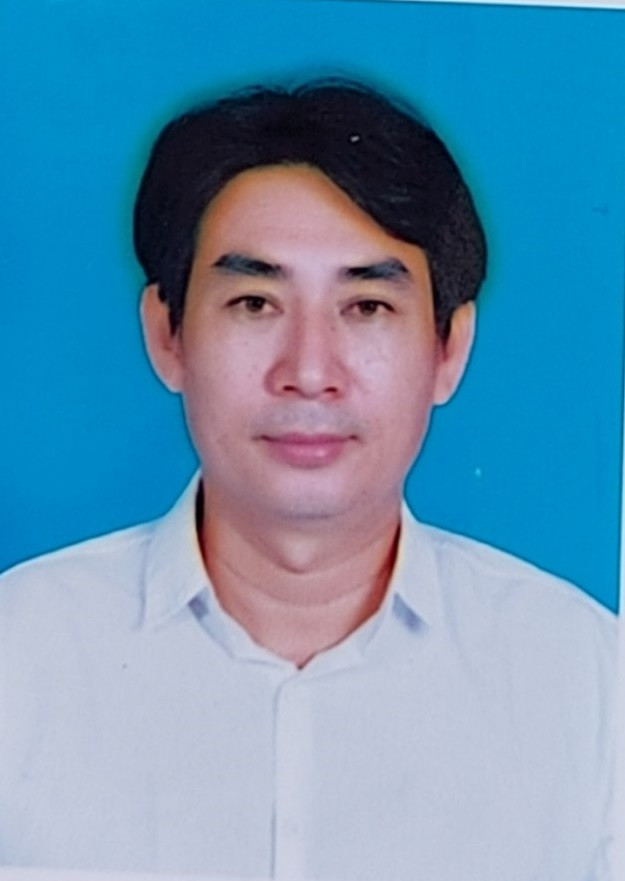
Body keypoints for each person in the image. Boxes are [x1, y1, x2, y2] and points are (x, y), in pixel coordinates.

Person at [0, 79, 615, 881]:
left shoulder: (588, 680)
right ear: (166, 334)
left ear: (448, 350)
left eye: (366, 307)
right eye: (255, 302)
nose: (310, 370)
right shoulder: (20, 654)